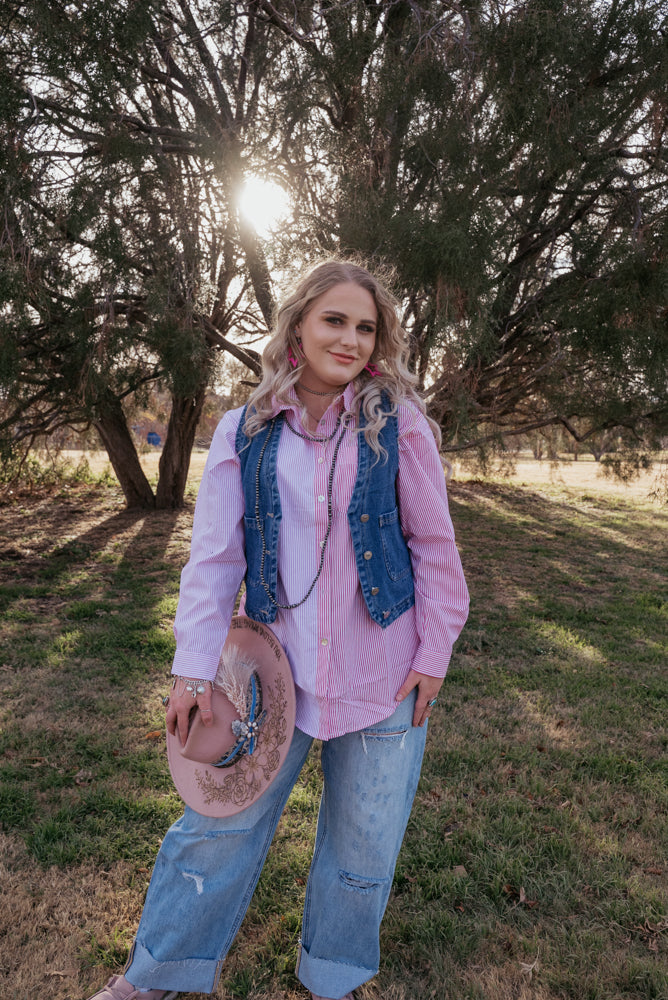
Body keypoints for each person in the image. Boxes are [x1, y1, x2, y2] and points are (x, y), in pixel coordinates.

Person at [88, 259, 469, 1000]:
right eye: (335, 320)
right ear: (298, 324)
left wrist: (435, 654)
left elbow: (435, 547)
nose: (351, 339)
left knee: (363, 846)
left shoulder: (401, 424)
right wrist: (193, 669)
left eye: (366, 327)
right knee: (215, 825)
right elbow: (214, 557)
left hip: (383, 671)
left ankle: (333, 977)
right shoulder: (246, 429)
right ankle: (158, 977)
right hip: (272, 673)